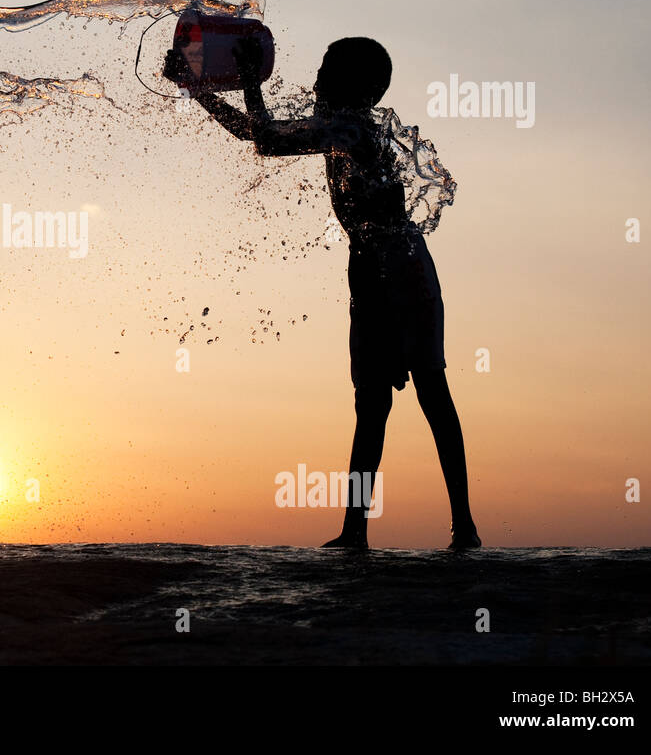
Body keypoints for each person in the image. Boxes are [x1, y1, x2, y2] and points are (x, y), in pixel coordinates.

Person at [166, 35, 480, 550]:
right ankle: (357, 530)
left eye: (325, 71)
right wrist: (196, 90)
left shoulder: (352, 127)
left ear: (350, 86)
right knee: (372, 403)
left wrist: (247, 78)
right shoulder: (344, 127)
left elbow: (266, 139)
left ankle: (462, 527)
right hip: (372, 266)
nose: (315, 80)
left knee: (430, 393)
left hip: (399, 267)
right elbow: (256, 133)